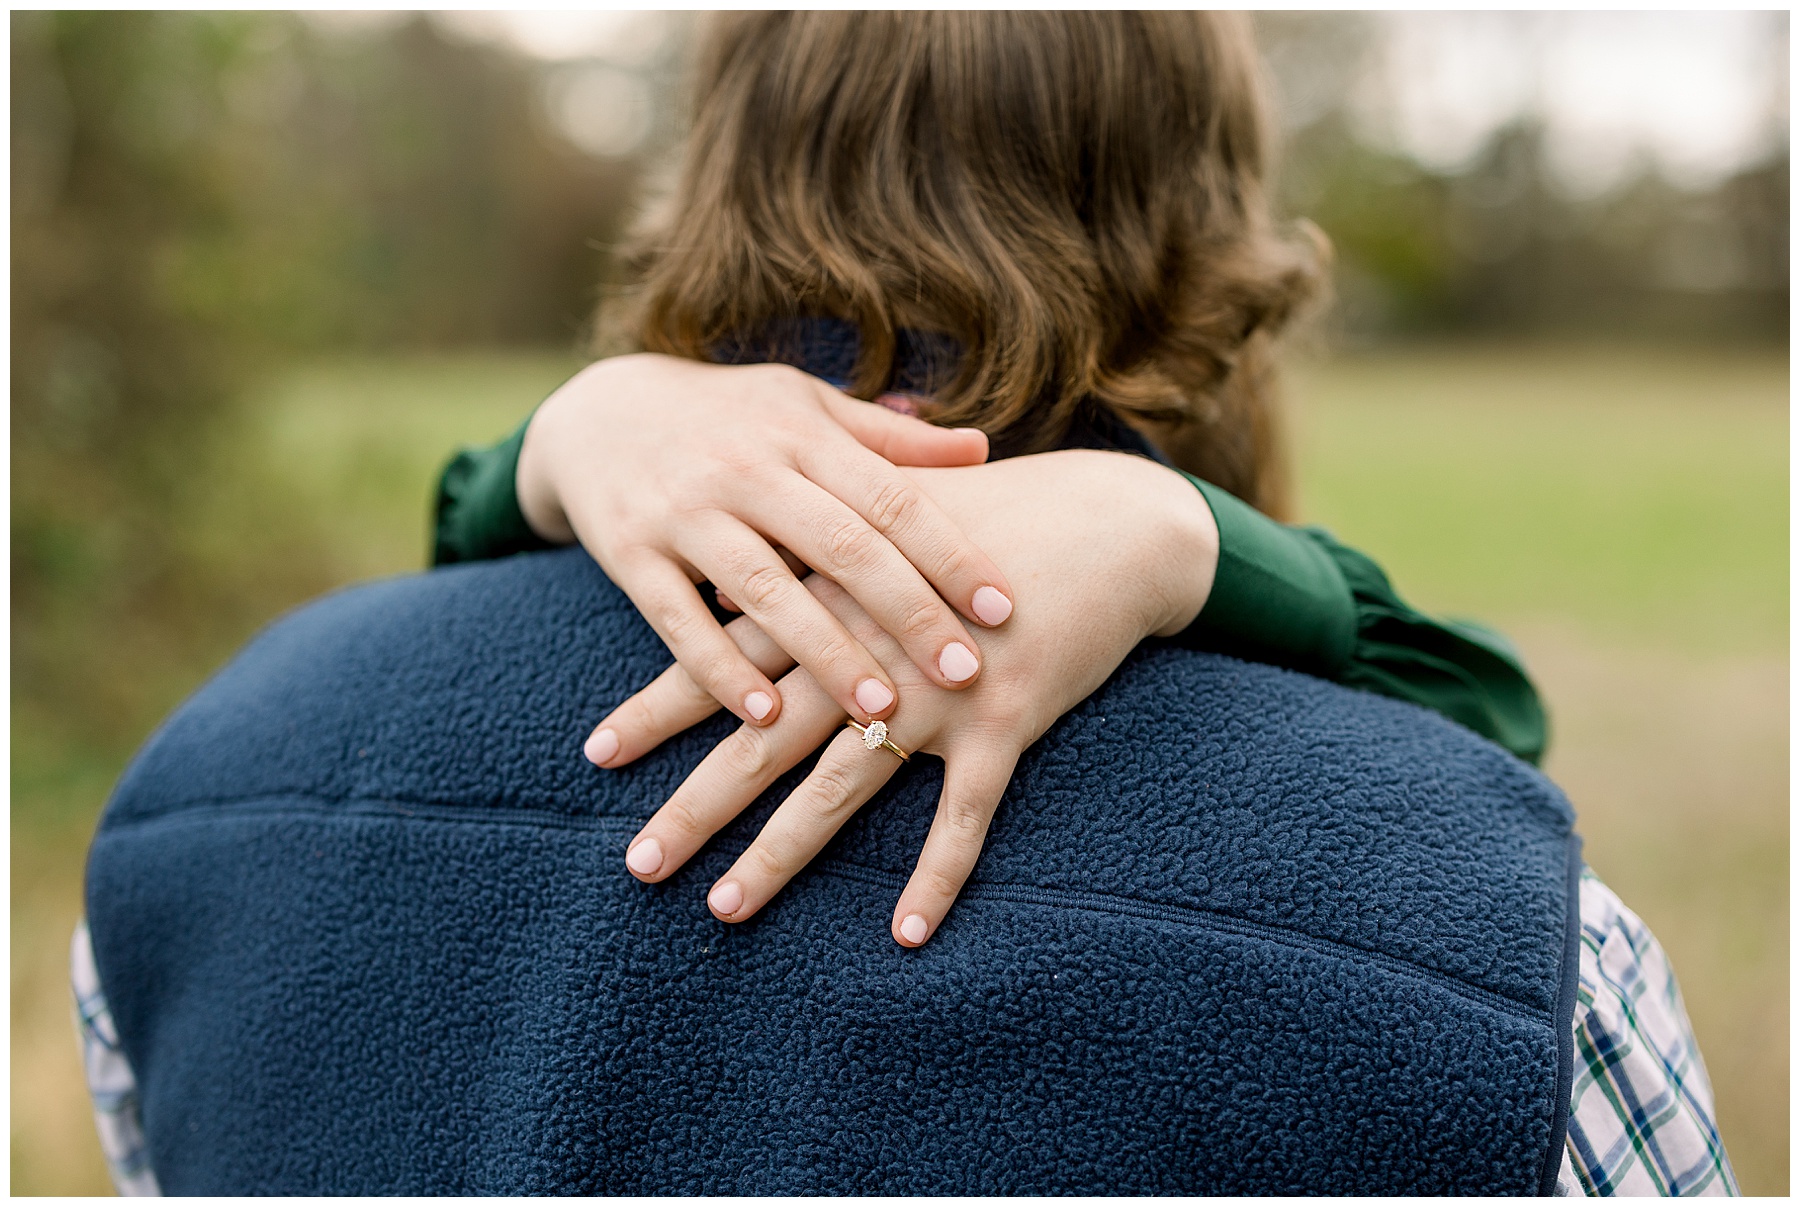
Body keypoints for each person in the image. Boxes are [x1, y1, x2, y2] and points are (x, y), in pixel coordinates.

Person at [77, 12, 1734, 1195]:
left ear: (696, 198)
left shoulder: (190, 796)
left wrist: (561, 436)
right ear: (1217, 262)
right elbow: (1487, 724)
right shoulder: (1517, 951)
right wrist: (1198, 538)